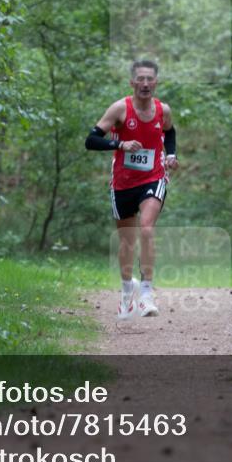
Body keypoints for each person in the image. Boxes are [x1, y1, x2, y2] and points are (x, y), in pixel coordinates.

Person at [85, 60, 178, 319]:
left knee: (146, 228)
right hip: (123, 183)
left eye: (150, 79)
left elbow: (170, 132)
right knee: (126, 241)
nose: (145, 84)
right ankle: (127, 293)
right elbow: (91, 140)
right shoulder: (120, 109)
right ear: (132, 82)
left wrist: (171, 155)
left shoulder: (163, 110)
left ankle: (146, 294)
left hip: (154, 177)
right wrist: (120, 145)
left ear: (155, 82)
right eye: (141, 79)